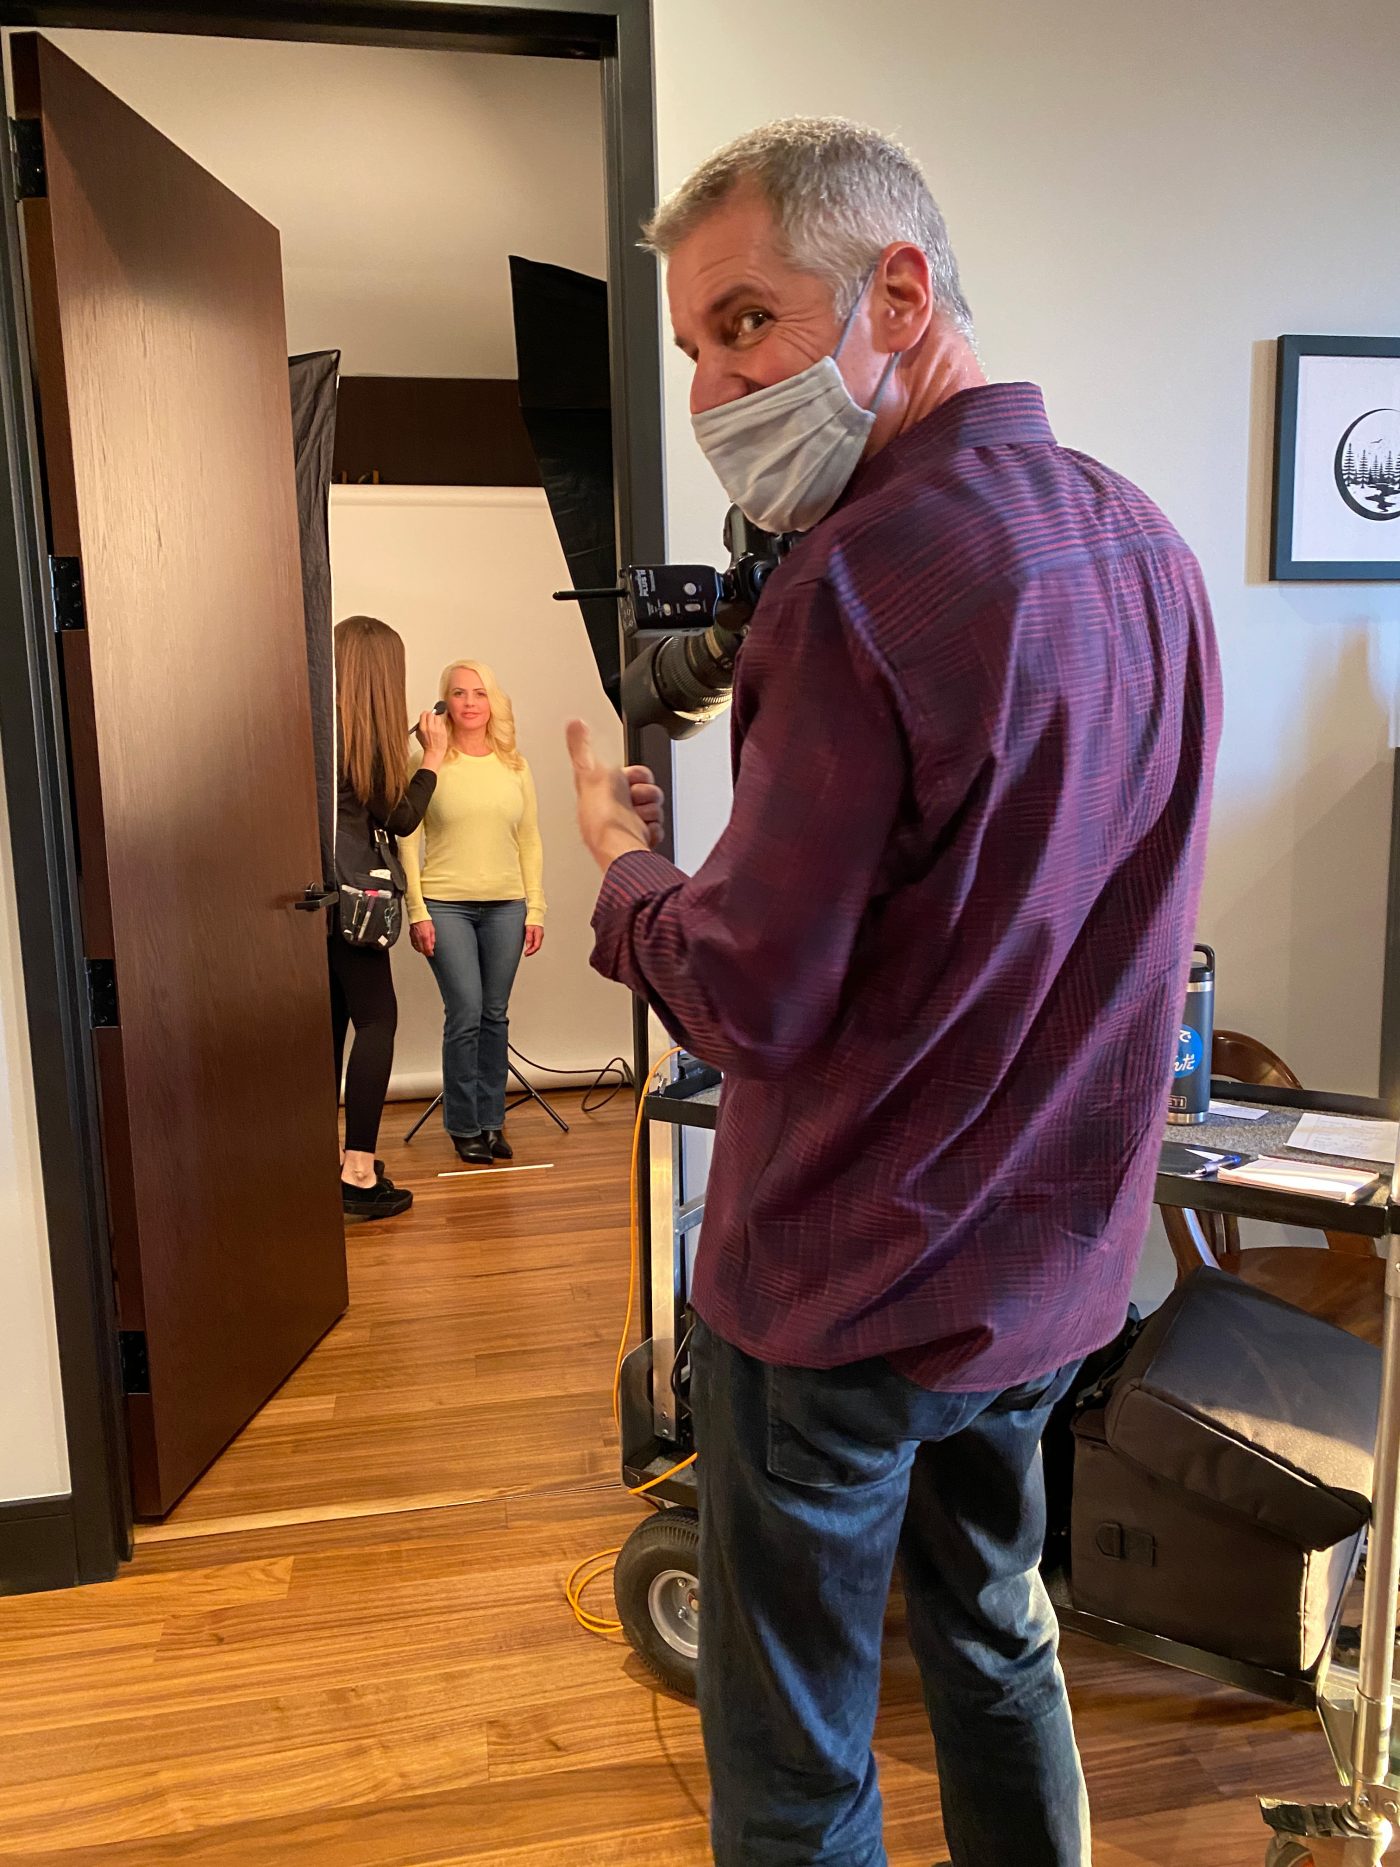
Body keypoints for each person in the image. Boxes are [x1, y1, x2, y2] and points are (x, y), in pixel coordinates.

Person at [567, 117, 1221, 1867]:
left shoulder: (854, 590)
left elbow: (747, 1000)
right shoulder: (1145, 545)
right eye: (695, 345)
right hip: (1051, 1279)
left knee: (795, 1754)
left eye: (748, 324)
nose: (714, 386)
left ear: (899, 290)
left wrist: (622, 871)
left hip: (845, 1296)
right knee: (1001, 1634)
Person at [402, 660, 545, 1165]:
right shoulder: (430, 763)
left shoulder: (515, 766)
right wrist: (416, 910)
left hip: (507, 905)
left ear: (492, 703)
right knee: (464, 1013)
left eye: (478, 693)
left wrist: (537, 909)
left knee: (494, 1015)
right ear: (444, 704)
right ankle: (463, 1126)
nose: (468, 702)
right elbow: (407, 838)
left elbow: (528, 839)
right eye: (458, 693)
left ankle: (492, 1121)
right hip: (445, 904)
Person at [331, 614, 448, 1222]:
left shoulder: (320, 732)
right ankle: (356, 1169)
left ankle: (309, 1162)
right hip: (357, 903)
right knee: (377, 1022)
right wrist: (431, 758)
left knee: (325, 1029)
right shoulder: (366, 744)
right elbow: (400, 819)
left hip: (311, 900)